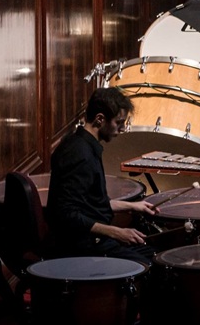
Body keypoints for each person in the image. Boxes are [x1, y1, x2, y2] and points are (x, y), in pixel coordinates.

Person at [47, 87, 159, 265]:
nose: (122, 129)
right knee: (150, 266)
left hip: (94, 239)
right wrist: (116, 232)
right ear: (100, 119)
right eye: (119, 122)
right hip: (84, 245)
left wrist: (134, 206)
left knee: (154, 253)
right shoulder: (80, 155)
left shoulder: (79, 143)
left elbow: (91, 203)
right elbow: (66, 214)